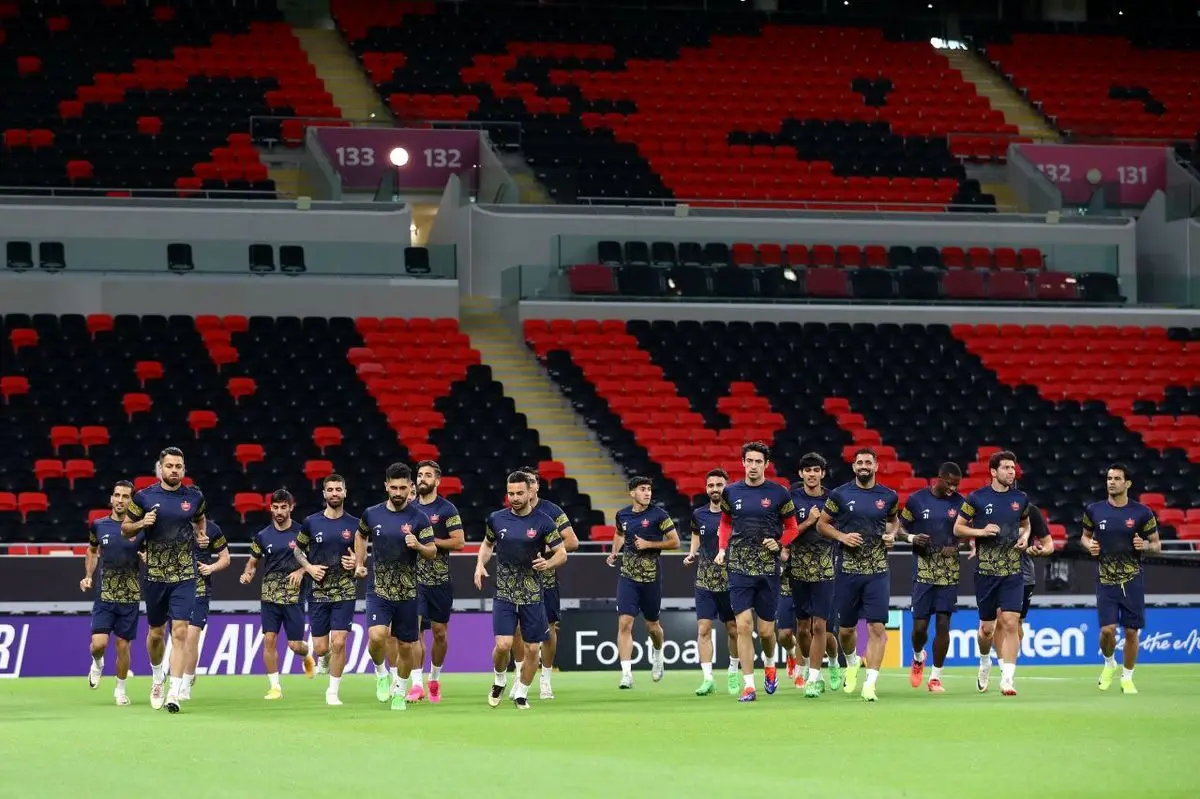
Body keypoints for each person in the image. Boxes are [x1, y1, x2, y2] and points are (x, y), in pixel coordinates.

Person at [121, 447, 207, 713]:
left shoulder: (194, 497)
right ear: (161, 468)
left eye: (178, 466)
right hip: (155, 576)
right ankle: (158, 676)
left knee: (180, 631)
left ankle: (174, 692)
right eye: (169, 466)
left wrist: (201, 535)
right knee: (156, 634)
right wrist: (141, 523)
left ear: (184, 469)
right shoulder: (144, 497)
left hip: (184, 575)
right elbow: (125, 529)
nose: (174, 470)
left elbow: (200, 519)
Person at [475, 472, 568, 709]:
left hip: (532, 594)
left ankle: (522, 694)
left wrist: (549, 563)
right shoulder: (496, 519)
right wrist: (479, 565)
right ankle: (499, 680)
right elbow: (487, 544)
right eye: (511, 493)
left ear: (530, 492)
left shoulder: (544, 522)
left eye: (519, 493)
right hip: (504, 592)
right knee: (503, 645)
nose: (515, 498)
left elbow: (562, 553)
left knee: (533, 649)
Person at [715, 441, 799, 702]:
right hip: (738, 566)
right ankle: (749, 686)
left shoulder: (779, 493)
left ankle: (770, 665)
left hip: (768, 569)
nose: (753, 466)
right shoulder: (731, 492)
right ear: (743, 463)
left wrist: (780, 543)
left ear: (766, 464)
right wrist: (722, 549)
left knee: (765, 632)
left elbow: (792, 528)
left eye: (758, 462)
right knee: (743, 626)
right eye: (749, 461)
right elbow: (725, 523)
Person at [817, 448, 899, 702]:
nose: (864, 466)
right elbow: (822, 524)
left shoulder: (888, 496)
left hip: (878, 571)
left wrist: (891, 534)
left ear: (876, 466)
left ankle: (870, 684)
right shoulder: (840, 494)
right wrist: (842, 536)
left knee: (877, 627)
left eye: (868, 462)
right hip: (847, 571)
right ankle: (852, 662)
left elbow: (893, 521)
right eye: (859, 462)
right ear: (853, 467)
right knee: (846, 630)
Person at [356, 463, 437, 711]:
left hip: (408, 592)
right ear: (386, 486)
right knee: (376, 637)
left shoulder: (419, 518)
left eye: (403, 488)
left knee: (406, 646)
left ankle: (400, 692)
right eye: (394, 487)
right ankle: (381, 673)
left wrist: (418, 546)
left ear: (411, 487)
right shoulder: (372, 514)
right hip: (379, 589)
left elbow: (432, 551)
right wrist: (359, 562)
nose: (399, 492)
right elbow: (360, 535)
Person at [954, 450, 1031, 696]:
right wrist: (981, 532)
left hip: (1013, 570)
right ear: (993, 472)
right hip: (985, 573)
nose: (1011, 472)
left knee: (1010, 621)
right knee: (987, 629)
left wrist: (1025, 537)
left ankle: (1007, 679)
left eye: (1013, 468)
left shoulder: (1021, 498)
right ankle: (985, 661)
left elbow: (1025, 524)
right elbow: (958, 528)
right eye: (1006, 468)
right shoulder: (976, 498)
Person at [1081, 463, 1160, 695]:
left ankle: (1127, 678)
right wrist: (1089, 545)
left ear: (1127, 483)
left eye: (1117, 479)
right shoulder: (1094, 510)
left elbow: (1156, 544)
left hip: (1132, 579)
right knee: (1107, 630)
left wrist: (1145, 545)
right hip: (1105, 579)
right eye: (1109, 478)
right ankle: (1109, 663)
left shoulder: (1142, 512)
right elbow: (1084, 537)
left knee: (1131, 632)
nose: (1111, 482)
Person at [240, 489, 316, 700]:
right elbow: (252, 563)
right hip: (269, 596)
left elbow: (314, 559)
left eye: (284, 507)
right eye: (275, 507)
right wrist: (247, 574)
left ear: (291, 507)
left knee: (294, 645)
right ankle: (275, 687)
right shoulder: (262, 536)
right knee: (269, 639)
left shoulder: (302, 533)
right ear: (270, 508)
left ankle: (307, 655)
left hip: (294, 596)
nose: (279, 512)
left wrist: (302, 570)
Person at [510, 465, 579, 701]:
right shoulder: (510, 513)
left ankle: (546, 679)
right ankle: (519, 676)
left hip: (546, 580)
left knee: (548, 630)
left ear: (536, 486)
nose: (527, 486)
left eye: (531, 481)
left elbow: (572, 541)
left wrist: (547, 547)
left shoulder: (552, 511)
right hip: (517, 581)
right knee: (517, 630)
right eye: (524, 482)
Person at [294, 473, 360, 706]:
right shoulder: (311, 522)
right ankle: (323, 657)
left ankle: (332, 691)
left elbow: (362, 557)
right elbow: (297, 550)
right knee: (322, 648)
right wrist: (309, 567)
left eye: (338, 489)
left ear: (345, 492)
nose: (334, 493)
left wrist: (356, 563)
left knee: (339, 642)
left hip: (345, 590)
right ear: (324, 493)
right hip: (318, 591)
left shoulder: (356, 524)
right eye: (330, 490)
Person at [608, 476, 679, 689]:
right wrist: (614, 552)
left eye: (649, 489)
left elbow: (675, 542)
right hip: (628, 577)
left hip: (651, 578)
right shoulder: (622, 515)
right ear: (632, 493)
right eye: (642, 489)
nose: (647, 493)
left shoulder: (659, 515)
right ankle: (626, 674)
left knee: (653, 626)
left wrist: (649, 544)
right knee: (624, 623)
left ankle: (657, 655)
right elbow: (619, 533)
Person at [899, 463, 963, 693]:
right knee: (919, 628)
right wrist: (912, 538)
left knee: (943, 624)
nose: (953, 488)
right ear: (939, 478)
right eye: (949, 483)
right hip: (923, 571)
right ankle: (918, 657)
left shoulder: (961, 503)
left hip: (949, 572)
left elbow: (967, 532)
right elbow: (899, 528)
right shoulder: (917, 500)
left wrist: (956, 546)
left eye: (956, 485)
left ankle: (936, 677)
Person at [786, 452, 841, 697]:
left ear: (823, 473)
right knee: (802, 627)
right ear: (801, 473)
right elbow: (785, 535)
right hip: (798, 570)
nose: (811, 474)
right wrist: (809, 522)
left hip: (825, 569)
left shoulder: (833, 499)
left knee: (820, 626)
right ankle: (807, 667)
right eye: (807, 470)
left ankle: (816, 677)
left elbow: (839, 528)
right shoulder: (791, 499)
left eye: (816, 470)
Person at [410, 460, 464, 704]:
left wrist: (429, 543)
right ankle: (416, 684)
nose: (422, 478)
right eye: (420, 474)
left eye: (428, 475)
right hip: (413, 580)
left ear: (437, 481)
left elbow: (459, 541)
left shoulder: (446, 509)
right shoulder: (409, 509)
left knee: (440, 634)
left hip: (439, 580)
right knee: (415, 631)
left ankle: (434, 679)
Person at [81, 481, 140, 705]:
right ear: (111, 498)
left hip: (130, 596)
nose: (120, 500)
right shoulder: (99, 525)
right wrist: (88, 575)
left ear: (131, 501)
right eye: (117, 495)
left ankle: (120, 690)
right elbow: (92, 550)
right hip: (105, 595)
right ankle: (97, 663)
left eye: (125, 496)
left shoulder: (139, 529)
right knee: (99, 645)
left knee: (123, 646)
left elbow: (148, 553)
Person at [684, 468, 740, 696]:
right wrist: (692, 552)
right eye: (711, 485)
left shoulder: (737, 514)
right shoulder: (699, 514)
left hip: (731, 581)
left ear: (727, 487)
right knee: (703, 629)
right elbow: (696, 534)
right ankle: (708, 679)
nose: (715, 489)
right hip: (705, 580)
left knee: (734, 630)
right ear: (706, 489)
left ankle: (733, 671)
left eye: (719, 485)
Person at [987, 500, 1055, 674]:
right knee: (999, 619)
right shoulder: (988, 505)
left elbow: (1049, 545)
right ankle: (1004, 669)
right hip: (994, 571)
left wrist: (1040, 551)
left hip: (1023, 573)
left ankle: (1009, 666)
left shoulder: (1031, 511)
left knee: (1015, 623)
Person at [180, 518, 228, 702]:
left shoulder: (212, 529)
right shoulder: (175, 524)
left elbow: (225, 558)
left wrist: (211, 567)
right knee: (180, 637)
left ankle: (184, 687)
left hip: (200, 591)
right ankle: (185, 675)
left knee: (192, 637)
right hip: (177, 589)